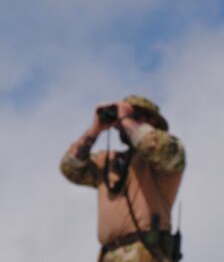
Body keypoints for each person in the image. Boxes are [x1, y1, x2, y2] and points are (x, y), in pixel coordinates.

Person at [60, 95, 185, 261]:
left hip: (146, 252)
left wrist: (127, 120)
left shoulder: (167, 155)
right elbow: (70, 167)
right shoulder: (108, 160)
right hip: (110, 255)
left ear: (153, 122)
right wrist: (95, 129)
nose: (124, 120)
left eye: (136, 115)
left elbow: (157, 147)